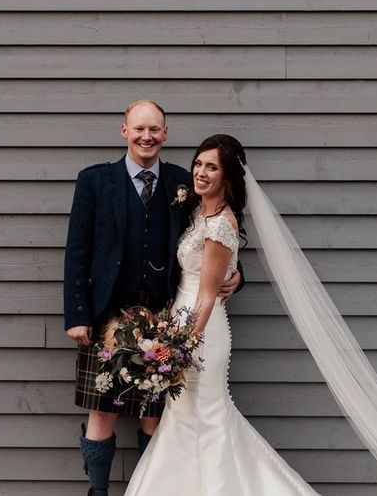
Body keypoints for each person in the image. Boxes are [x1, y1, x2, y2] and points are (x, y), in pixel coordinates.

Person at [63, 102, 244, 496]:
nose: (147, 136)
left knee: (157, 414)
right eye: (139, 128)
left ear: (165, 134)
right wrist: (77, 314)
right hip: (106, 312)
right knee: (102, 408)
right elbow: (77, 251)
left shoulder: (182, 181)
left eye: (155, 129)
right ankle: (98, 492)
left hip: (164, 312)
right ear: (124, 130)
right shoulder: (94, 181)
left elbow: (214, 237)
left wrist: (236, 276)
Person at [125, 134, 320, 495]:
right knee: (188, 418)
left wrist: (180, 349)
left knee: (205, 418)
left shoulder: (218, 225)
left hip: (201, 332)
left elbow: (207, 295)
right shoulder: (201, 211)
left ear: (227, 176)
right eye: (198, 163)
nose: (200, 172)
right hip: (183, 324)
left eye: (211, 167)